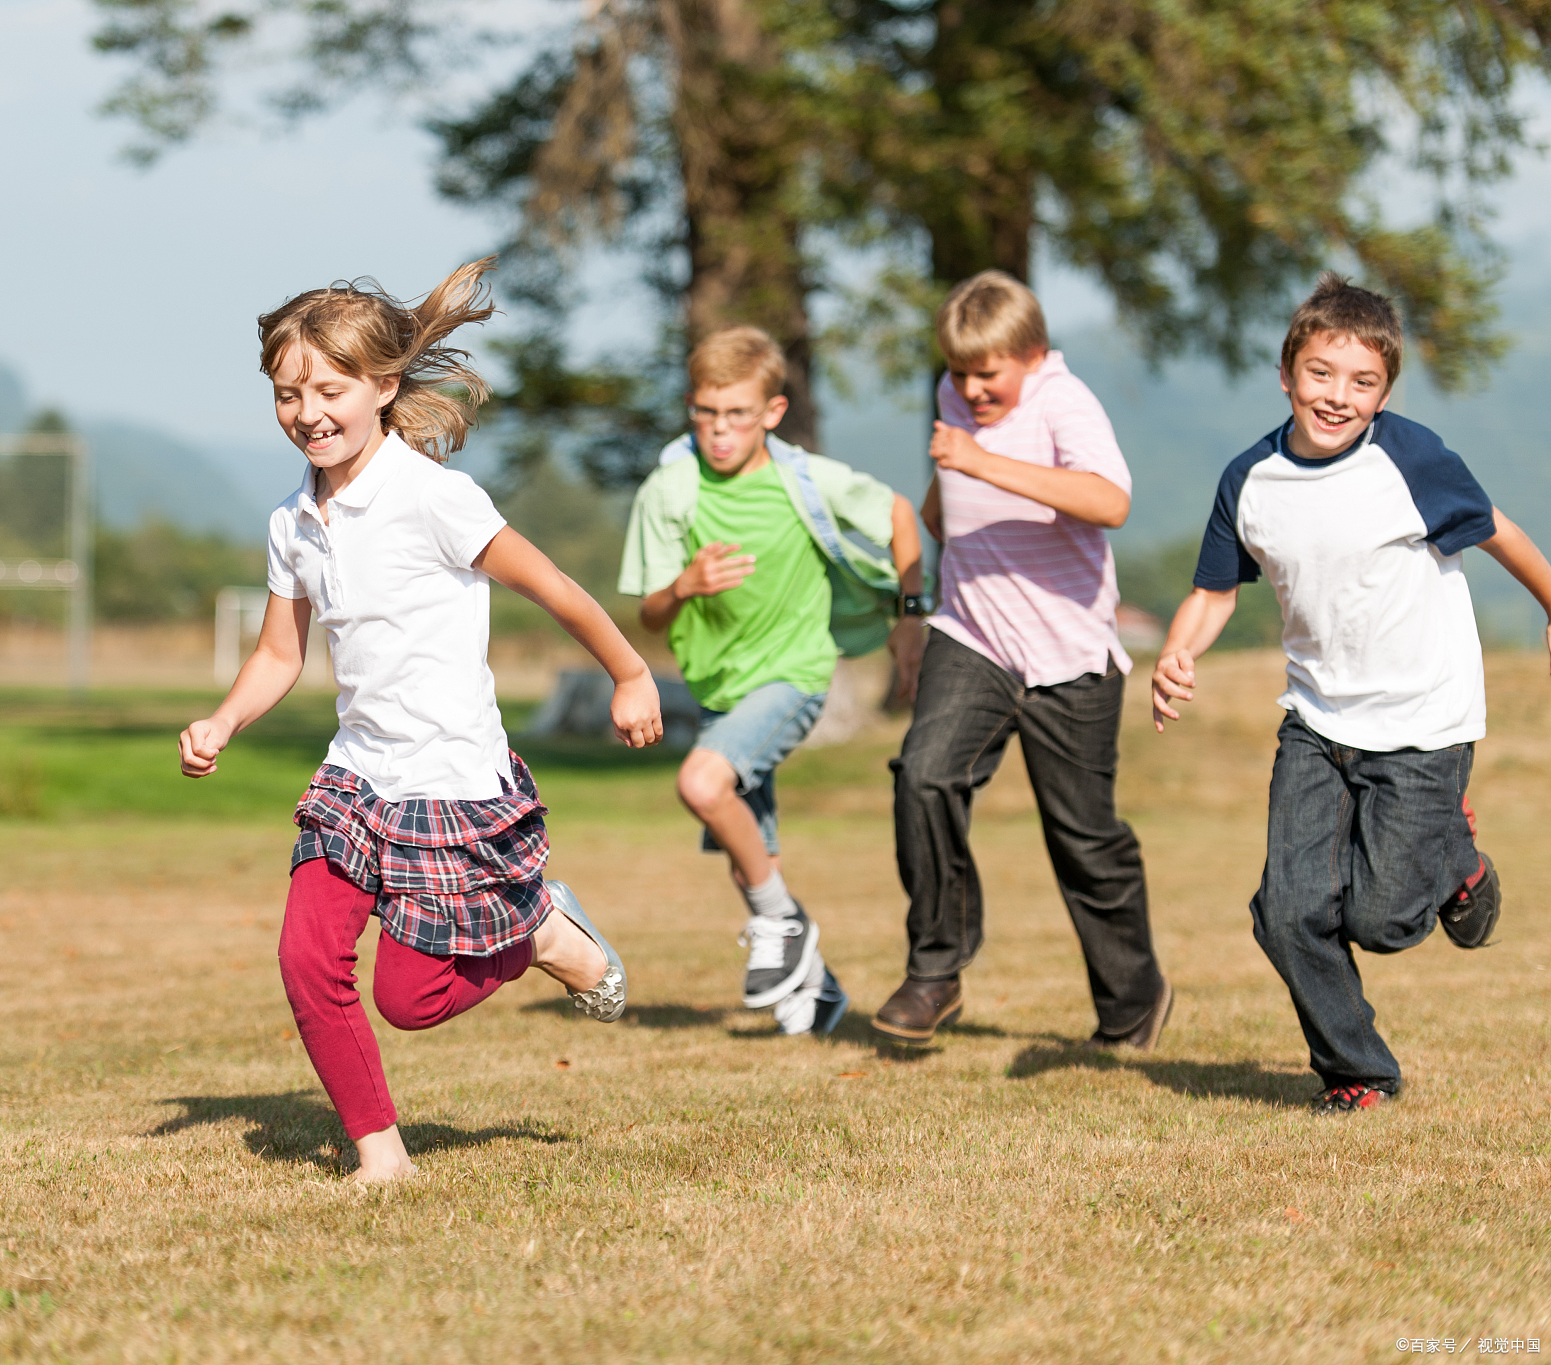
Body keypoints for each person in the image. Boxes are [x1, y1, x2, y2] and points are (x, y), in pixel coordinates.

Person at [179, 259, 664, 1182]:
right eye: (289, 394)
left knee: (409, 998)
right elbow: (281, 653)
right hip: (357, 777)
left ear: (384, 386)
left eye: (331, 389)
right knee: (305, 956)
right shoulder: (293, 522)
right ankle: (381, 1154)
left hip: (449, 781)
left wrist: (631, 672)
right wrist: (224, 719)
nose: (309, 412)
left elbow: (556, 587)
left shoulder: (436, 497)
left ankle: (536, 929)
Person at [1152, 272, 1551, 1113]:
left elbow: (1496, 529)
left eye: (1362, 382)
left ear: (1385, 391)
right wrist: (1177, 652)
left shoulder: (1408, 458)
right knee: (1287, 912)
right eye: (1322, 374)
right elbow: (1217, 590)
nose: (1338, 397)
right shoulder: (1249, 479)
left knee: (1379, 919)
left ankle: (1456, 860)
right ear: (1288, 371)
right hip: (1316, 720)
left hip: (1425, 718)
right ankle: (1358, 1071)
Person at [873, 270, 1171, 1050]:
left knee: (1082, 836)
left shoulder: (1062, 401)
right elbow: (943, 493)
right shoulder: (954, 393)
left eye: (988, 374)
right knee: (925, 775)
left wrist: (980, 463)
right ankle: (935, 970)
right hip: (971, 635)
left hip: (1069, 651)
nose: (971, 388)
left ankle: (1133, 998)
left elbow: (1111, 501)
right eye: (960, 372)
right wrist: (913, 602)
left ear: (1033, 355)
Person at [620, 326, 924, 1036]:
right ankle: (815, 992)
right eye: (705, 413)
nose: (719, 431)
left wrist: (912, 615)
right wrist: (686, 585)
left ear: (774, 412)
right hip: (721, 689)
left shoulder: (807, 479)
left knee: (701, 784)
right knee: (750, 854)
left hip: (796, 674)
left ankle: (785, 926)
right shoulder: (672, 488)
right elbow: (650, 612)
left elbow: (900, 514)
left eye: (737, 415)